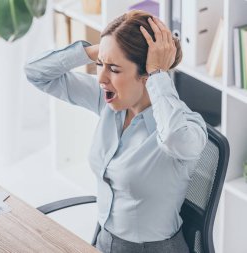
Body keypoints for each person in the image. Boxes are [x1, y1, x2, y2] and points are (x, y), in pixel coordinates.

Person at [24, 10, 207, 253]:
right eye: (100, 65)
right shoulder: (110, 104)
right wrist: (100, 50)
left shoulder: (184, 126)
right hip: (104, 240)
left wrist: (158, 75)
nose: (101, 77)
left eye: (114, 69)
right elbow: (36, 73)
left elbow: (174, 139)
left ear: (146, 75)